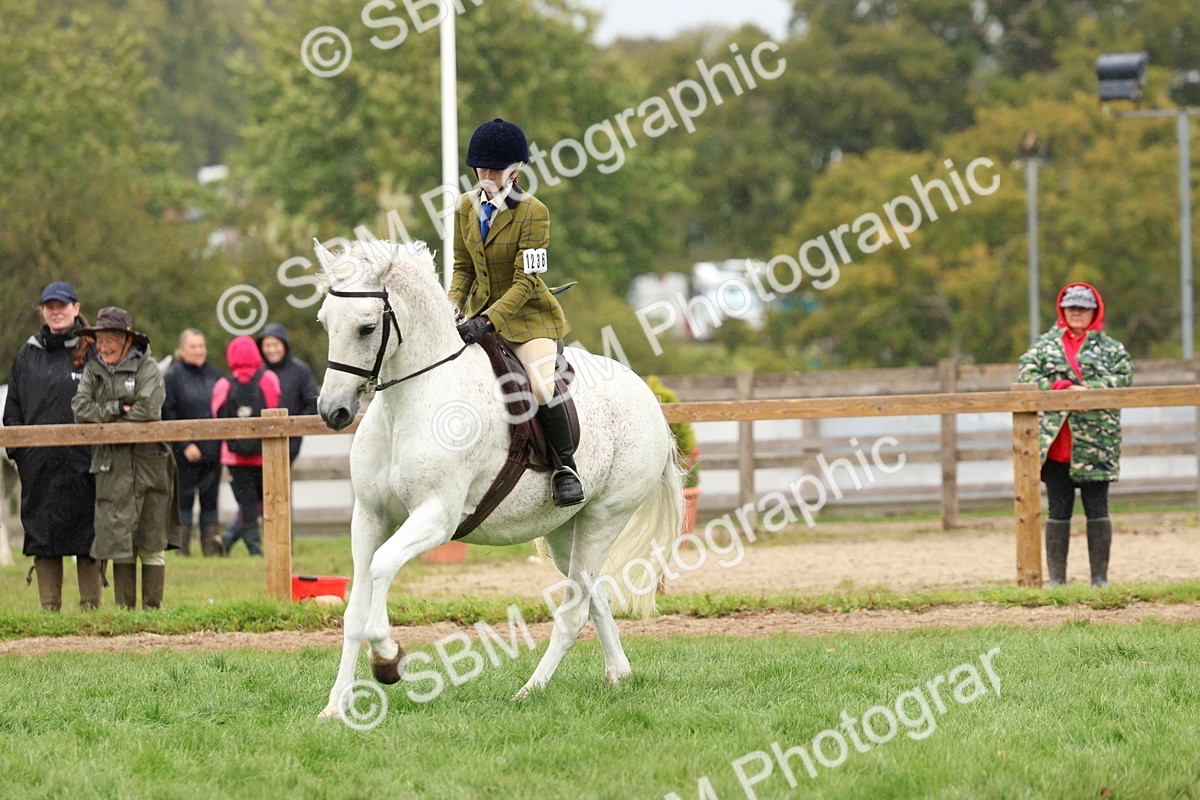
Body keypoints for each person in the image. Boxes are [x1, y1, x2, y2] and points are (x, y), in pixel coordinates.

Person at [449, 118, 583, 507]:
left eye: (495, 169)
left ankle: (565, 468)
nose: (487, 176)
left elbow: (527, 282)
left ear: (516, 170)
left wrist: (487, 320)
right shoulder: (464, 207)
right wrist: (450, 310)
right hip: (477, 319)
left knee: (541, 386)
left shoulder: (533, 212)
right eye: (482, 168)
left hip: (528, 319)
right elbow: (463, 270)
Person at [1018, 283, 1132, 587]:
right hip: (1057, 443)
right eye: (1072, 307)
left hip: (1097, 443)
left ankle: (1100, 580)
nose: (1077, 312)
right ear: (1062, 309)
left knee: (1097, 508)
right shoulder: (1044, 346)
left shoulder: (1111, 349)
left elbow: (1124, 378)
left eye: (1083, 307)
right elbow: (1027, 375)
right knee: (1058, 508)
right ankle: (1057, 580)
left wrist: (1089, 392)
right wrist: (1060, 389)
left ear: (1095, 311)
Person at [72, 307, 180, 609]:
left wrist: (105, 415)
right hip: (110, 465)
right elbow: (81, 410)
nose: (104, 347)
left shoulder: (148, 367)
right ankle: (124, 614)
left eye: (110, 340)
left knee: (151, 540)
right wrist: (120, 409)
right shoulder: (92, 370)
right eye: (100, 340)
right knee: (119, 542)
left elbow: (148, 409)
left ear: (127, 340)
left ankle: (152, 612)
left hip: (150, 465)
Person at [3, 282, 101, 611]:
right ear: (43, 311)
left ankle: (90, 612)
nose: (56, 312)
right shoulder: (28, 354)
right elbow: (12, 410)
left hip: (84, 464)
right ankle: (50, 615)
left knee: (88, 536)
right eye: (49, 306)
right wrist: (22, 456)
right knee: (44, 538)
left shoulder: (93, 350)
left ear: (76, 307)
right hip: (40, 467)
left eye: (62, 305)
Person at [212, 336, 280, 556]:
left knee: (247, 502)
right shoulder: (268, 379)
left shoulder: (224, 384)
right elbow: (274, 408)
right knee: (260, 502)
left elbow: (216, 415)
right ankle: (253, 549)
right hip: (263, 453)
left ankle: (231, 539)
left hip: (234, 457)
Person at [162, 329, 224, 556]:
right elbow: (167, 413)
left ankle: (210, 551)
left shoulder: (215, 375)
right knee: (184, 502)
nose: (198, 351)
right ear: (182, 350)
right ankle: (182, 550)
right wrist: (184, 444)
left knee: (211, 503)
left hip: (213, 452)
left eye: (201, 346)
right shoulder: (172, 377)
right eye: (193, 346)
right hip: (184, 454)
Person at [256, 323, 319, 463]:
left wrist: (292, 425)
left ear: (284, 345)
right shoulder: (257, 373)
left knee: (281, 481)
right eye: (267, 345)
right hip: (259, 441)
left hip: (291, 441)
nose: (272, 350)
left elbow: (312, 403)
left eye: (275, 344)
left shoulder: (301, 371)